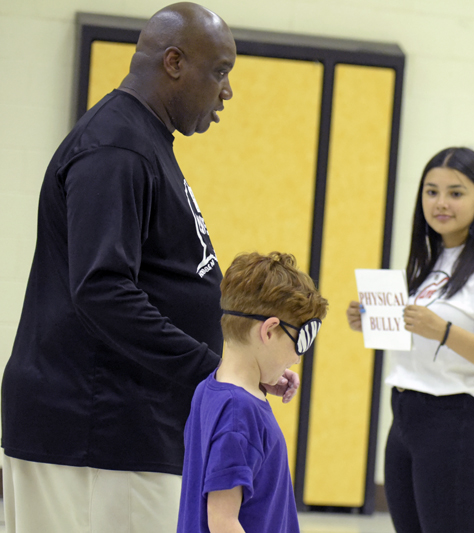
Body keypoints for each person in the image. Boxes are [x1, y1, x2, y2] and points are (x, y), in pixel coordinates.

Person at [2, 4, 295, 532]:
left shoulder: (143, 142)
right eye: (221, 71)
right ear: (175, 62)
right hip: (94, 432)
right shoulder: (116, 147)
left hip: (126, 430)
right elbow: (102, 290)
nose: (227, 91)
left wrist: (240, 365)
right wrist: (213, 373)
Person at [347, 147, 474, 533]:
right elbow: (423, 339)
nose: (441, 203)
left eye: (455, 192)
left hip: (459, 423)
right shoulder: (430, 262)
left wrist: (443, 331)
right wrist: (375, 321)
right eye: (431, 192)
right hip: (407, 417)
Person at [177, 251, 328, 533]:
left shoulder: (209, 390)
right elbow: (223, 522)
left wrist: (261, 377)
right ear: (269, 331)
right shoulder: (239, 415)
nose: (297, 358)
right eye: (300, 342)